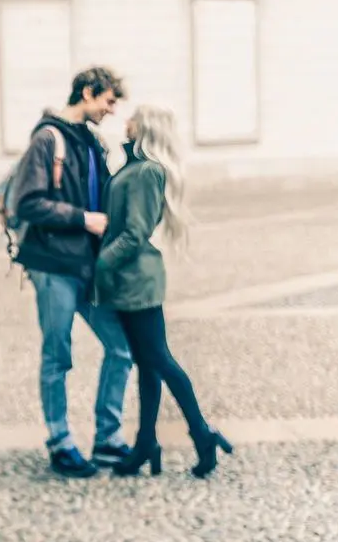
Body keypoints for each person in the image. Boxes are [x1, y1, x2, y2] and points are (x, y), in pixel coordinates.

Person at [94, 104, 234, 479]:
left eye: (134, 118)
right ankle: (146, 443)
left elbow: (134, 233)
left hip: (137, 281)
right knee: (149, 363)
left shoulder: (146, 172)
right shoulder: (135, 167)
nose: (127, 121)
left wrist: (100, 264)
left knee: (160, 360)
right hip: (131, 281)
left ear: (147, 127)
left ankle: (201, 434)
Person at [10, 67, 134, 478]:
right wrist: (84, 219)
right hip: (54, 265)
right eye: (108, 101)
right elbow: (26, 202)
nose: (111, 111)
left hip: (89, 266)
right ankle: (61, 442)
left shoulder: (93, 141)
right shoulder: (49, 138)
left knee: (121, 348)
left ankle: (107, 438)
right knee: (58, 354)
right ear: (87, 92)